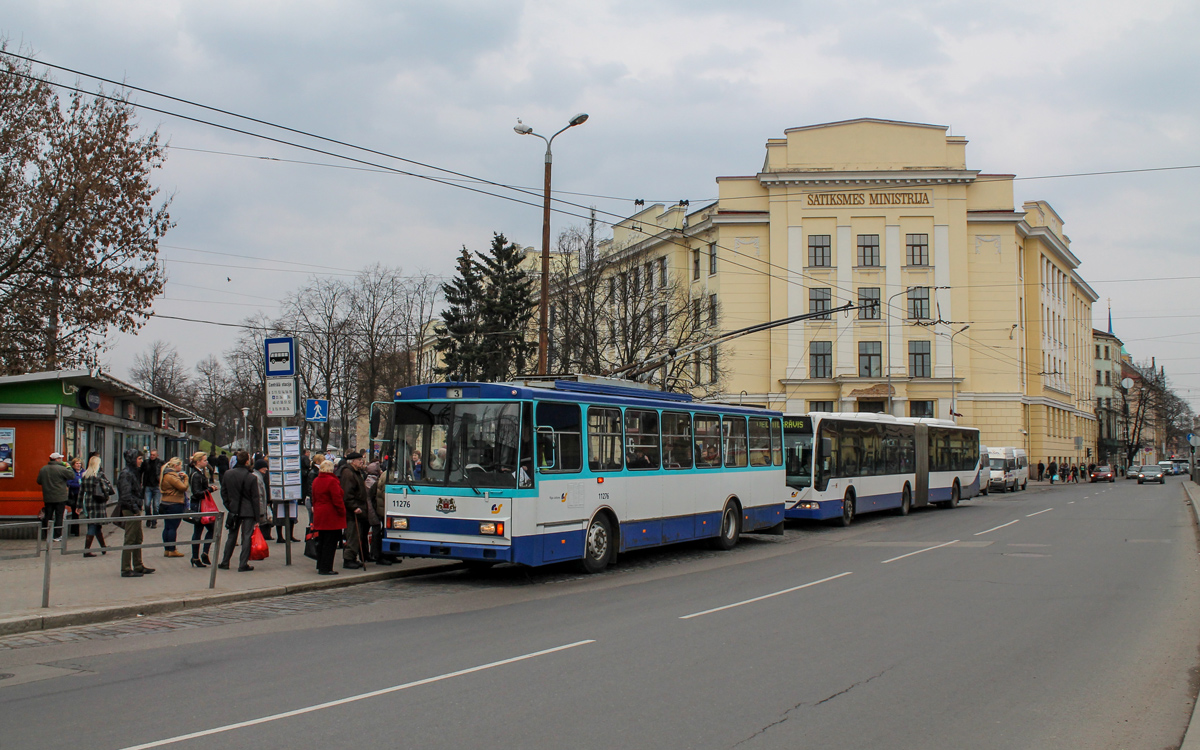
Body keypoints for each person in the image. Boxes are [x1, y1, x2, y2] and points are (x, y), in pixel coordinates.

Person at [218, 450, 262, 572]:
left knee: (231, 536)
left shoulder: (228, 474)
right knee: (246, 537)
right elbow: (255, 498)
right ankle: (243, 563)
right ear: (247, 461)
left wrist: (229, 505)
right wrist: (257, 517)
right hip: (248, 510)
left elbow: (224, 492)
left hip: (234, 509)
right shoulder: (251, 477)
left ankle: (225, 561)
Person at [116, 448, 155, 578]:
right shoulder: (126, 474)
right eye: (139, 459)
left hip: (135, 507)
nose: (141, 461)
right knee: (130, 538)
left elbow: (148, 468)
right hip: (130, 509)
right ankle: (126, 568)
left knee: (138, 538)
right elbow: (125, 495)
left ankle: (138, 565)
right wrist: (134, 508)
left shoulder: (134, 472)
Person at [310, 460, 346, 575]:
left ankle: (320, 565)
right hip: (331, 515)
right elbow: (337, 500)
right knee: (330, 544)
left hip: (319, 514)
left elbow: (314, 497)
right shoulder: (332, 481)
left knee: (321, 542)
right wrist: (343, 511)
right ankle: (326, 567)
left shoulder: (316, 480)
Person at [36, 452, 76, 542]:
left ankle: (47, 535)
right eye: (60, 458)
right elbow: (72, 475)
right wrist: (68, 466)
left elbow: (39, 481)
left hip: (48, 497)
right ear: (56, 459)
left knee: (48, 516)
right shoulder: (61, 469)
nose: (61, 460)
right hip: (60, 497)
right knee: (59, 516)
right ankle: (57, 535)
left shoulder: (43, 469)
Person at [340, 452, 369, 570]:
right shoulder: (348, 473)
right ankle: (348, 559)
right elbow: (347, 494)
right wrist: (354, 507)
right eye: (358, 460)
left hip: (359, 508)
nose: (361, 462)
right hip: (353, 511)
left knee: (357, 535)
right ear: (352, 461)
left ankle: (353, 557)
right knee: (353, 535)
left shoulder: (355, 472)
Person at [79, 456, 112, 557]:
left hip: (88, 502)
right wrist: (106, 497)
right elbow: (105, 489)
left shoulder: (85, 475)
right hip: (98, 503)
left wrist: (79, 505)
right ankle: (86, 550)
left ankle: (103, 547)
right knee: (94, 525)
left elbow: (81, 492)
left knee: (96, 525)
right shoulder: (99, 475)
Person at [188, 452, 216, 567]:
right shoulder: (196, 475)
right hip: (199, 506)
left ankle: (201, 554)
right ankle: (197, 556)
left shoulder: (199, 473)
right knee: (200, 530)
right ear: (198, 461)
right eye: (204, 460)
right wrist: (210, 489)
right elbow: (196, 493)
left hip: (200, 505)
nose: (206, 462)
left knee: (206, 529)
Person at [158, 456, 188, 558]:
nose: (181, 467)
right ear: (176, 466)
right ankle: (172, 549)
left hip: (165, 502)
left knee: (167, 527)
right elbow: (183, 487)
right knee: (172, 528)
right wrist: (186, 478)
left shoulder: (164, 474)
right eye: (180, 465)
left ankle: (167, 549)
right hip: (174, 503)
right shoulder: (172, 476)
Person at [141, 449, 163, 529]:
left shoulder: (160, 463)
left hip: (157, 486)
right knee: (147, 504)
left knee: (156, 505)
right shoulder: (146, 463)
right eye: (151, 455)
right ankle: (148, 518)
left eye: (153, 455)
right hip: (148, 486)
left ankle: (154, 521)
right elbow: (141, 472)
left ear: (157, 455)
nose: (152, 456)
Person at [66, 458, 83, 537]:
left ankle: (75, 530)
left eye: (79, 463)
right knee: (75, 512)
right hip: (74, 494)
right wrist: (79, 485)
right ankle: (76, 531)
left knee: (80, 511)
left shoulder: (83, 472)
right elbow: (69, 483)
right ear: (73, 465)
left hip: (82, 494)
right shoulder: (71, 473)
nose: (78, 465)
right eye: (77, 463)